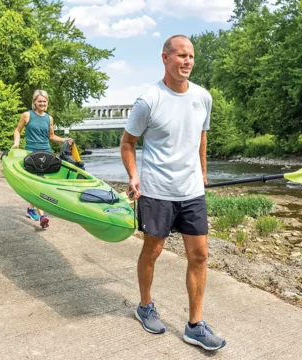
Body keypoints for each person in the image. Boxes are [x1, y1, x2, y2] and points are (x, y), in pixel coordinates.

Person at [120, 35, 226, 351]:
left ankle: (195, 325)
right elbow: (128, 143)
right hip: (156, 190)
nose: (187, 61)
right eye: (180, 55)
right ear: (165, 58)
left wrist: (203, 174)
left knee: (200, 254)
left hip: (191, 191)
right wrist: (134, 176)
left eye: (191, 56)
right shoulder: (149, 100)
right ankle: (145, 306)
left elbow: (201, 138)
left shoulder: (203, 97)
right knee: (152, 251)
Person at [13, 89, 73, 229]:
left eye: (44, 101)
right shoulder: (27, 115)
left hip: (47, 153)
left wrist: (64, 139)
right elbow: (17, 130)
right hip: (32, 154)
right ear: (34, 102)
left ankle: (30, 209)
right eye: (40, 101)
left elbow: (51, 137)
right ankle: (42, 216)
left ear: (47, 102)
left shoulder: (49, 118)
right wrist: (16, 143)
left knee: (42, 183)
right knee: (39, 183)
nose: (42, 103)